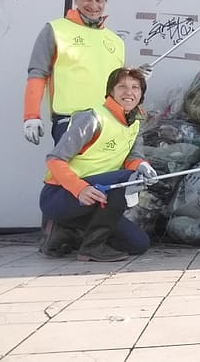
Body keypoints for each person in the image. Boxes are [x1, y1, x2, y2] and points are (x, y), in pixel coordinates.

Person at [23, 0, 151, 146]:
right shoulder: (55, 30)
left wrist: (136, 75)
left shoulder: (115, 40)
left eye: (99, 0)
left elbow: (115, 83)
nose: (94, 5)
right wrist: (31, 116)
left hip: (109, 120)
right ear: (76, 0)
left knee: (100, 173)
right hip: (70, 121)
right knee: (67, 172)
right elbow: (38, 73)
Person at [40, 67, 156, 261]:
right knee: (127, 179)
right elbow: (54, 159)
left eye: (135, 87)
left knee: (138, 244)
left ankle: (69, 232)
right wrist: (81, 189)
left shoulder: (135, 121)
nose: (129, 92)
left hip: (99, 197)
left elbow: (133, 157)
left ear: (141, 93)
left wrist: (141, 166)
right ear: (111, 91)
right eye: (122, 87)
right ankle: (92, 247)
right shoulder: (93, 118)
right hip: (61, 196)